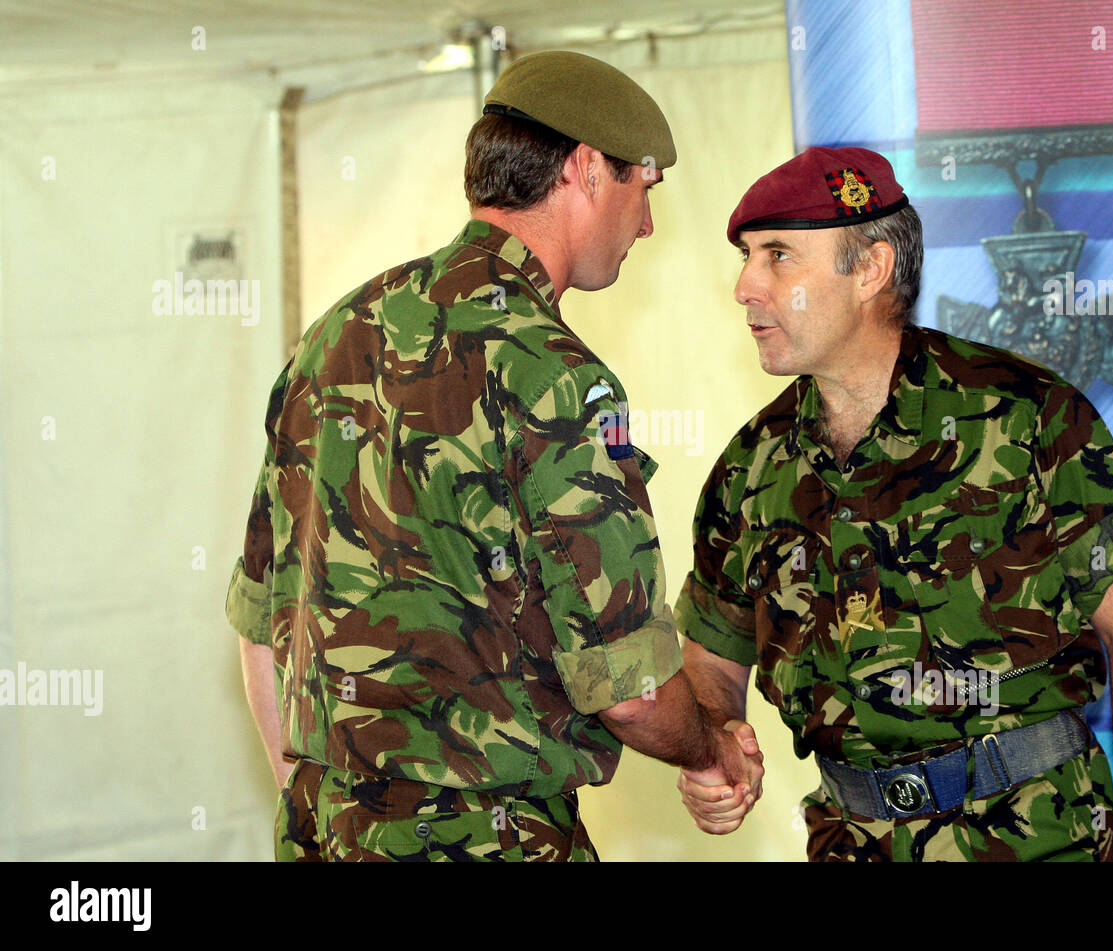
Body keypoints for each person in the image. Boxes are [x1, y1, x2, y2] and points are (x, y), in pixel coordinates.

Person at [223, 50, 761, 862]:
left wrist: (327, 807)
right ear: (584, 168)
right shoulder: (557, 375)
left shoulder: (334, 334)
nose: (647, 225)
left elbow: (263, 624)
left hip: (324, 831)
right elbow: (629, 688)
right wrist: (712, 750)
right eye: (643, 190)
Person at [673, 146, 1113, 861]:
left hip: (1036, 839)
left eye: (778, 256)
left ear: (872, 269)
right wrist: (715, 739)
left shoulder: (1025, 414)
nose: (746, 285)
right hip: (850, 839)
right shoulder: (749, 466)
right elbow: (712, 655)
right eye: (746, 256)